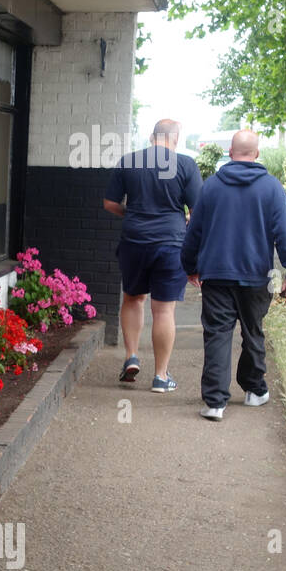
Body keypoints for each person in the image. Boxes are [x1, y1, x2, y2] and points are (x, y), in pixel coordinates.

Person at [180, 129, 286, 421]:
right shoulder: (272, 188)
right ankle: (254, 390)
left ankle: (214, 402)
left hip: (216, 275)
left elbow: (193, 232)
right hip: (256, 274)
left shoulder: (210, 187)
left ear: (231, 153)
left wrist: (190, 266)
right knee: (253, 330)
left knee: (218, 335)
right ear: (256, 154)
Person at [103, 118, 201, 392]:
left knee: (133, 299)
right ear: (175, 139)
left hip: (134, 241)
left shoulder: (129, 161)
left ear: (151, 137)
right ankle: (160, 376)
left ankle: (131, 356)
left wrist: (131, 214)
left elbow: (110, 204)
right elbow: (198, 211)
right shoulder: (185, 164)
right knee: (164, 309)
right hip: (171, 244)